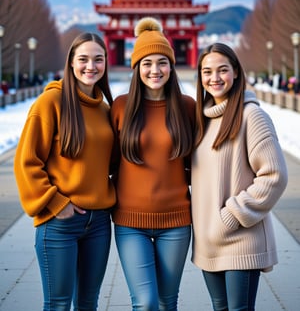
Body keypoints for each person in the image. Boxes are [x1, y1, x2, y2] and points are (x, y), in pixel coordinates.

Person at [14, 32, 116, 311]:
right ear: (71, 63)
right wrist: (56, 203)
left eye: (98, 59)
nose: (90, 66)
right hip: (60, 221)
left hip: (98, 223)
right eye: (83, 59)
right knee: (58, 304)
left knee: (88, 303)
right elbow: (26, 161)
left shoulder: (106, 110)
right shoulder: (50, 103)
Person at [191, 42, 288, 311]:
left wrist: (231, 215)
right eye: (207, 71)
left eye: (222, 70)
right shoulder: (202, 121)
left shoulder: (251, 116)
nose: (214, 78)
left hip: (238, 237)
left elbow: (274, 175)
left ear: (235, 72)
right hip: (208, 242)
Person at [110, 17, 196, 311]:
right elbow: (103, 158)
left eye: (162, 62)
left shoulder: (187, 107)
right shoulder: (120, 107)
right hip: (130, 221)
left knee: (166, 302)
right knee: (145, 303)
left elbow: (202, 159)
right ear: (137, 68)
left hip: (176, 221)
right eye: (146, 63)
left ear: (172, 67)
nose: (155, 70)